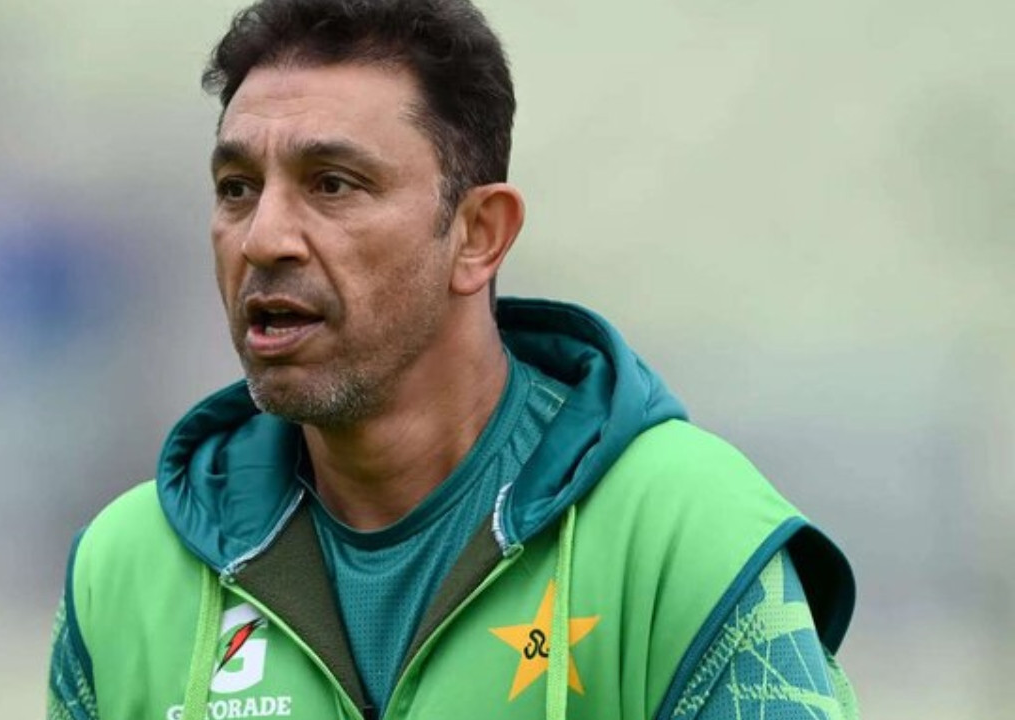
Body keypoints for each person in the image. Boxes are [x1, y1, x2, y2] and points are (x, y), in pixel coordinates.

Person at [47, 1, 858, 718]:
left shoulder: (686, 535)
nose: (263, 238)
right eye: (236, 188)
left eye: (332, 184)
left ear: (478, 236)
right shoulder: (122, 572)